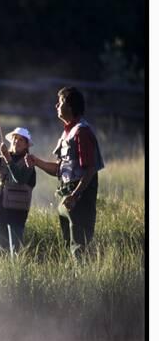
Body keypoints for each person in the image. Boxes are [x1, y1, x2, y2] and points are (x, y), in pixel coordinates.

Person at [25, 86, 104, 257]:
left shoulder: (82, 132)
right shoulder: (67, 132)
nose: (56, 106)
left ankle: (83, 282)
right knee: (68, 245)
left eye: (60, 102)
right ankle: (74, 281)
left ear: (70, 106)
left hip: (78, 198)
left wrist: (75, 195)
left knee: (79, 247)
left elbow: (90, 169)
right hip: (66, 196)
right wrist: (36, 161)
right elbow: (59, 169)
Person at [0, 125, 36, 257]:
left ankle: (18, 275)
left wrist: (7, 158)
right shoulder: (4, 158)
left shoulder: (28, 162)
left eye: (21, 140)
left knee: (16, 251)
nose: (16, 141)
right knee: (1, 250)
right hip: (0, 209)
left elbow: (19, 179)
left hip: (16, 213)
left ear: (26, 145)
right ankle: (4, 275)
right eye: (14, 138)